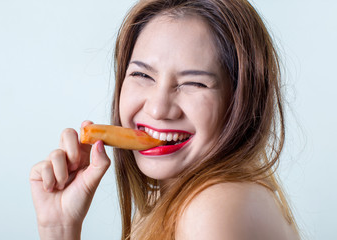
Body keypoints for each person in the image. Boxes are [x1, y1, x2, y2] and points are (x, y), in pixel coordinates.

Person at [30, 0, 300, 239]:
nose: (158, 109)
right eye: (142, 76)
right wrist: (59, 229)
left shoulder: (210, 209)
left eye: (194, 83)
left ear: (242, 101)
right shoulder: (172, 196)